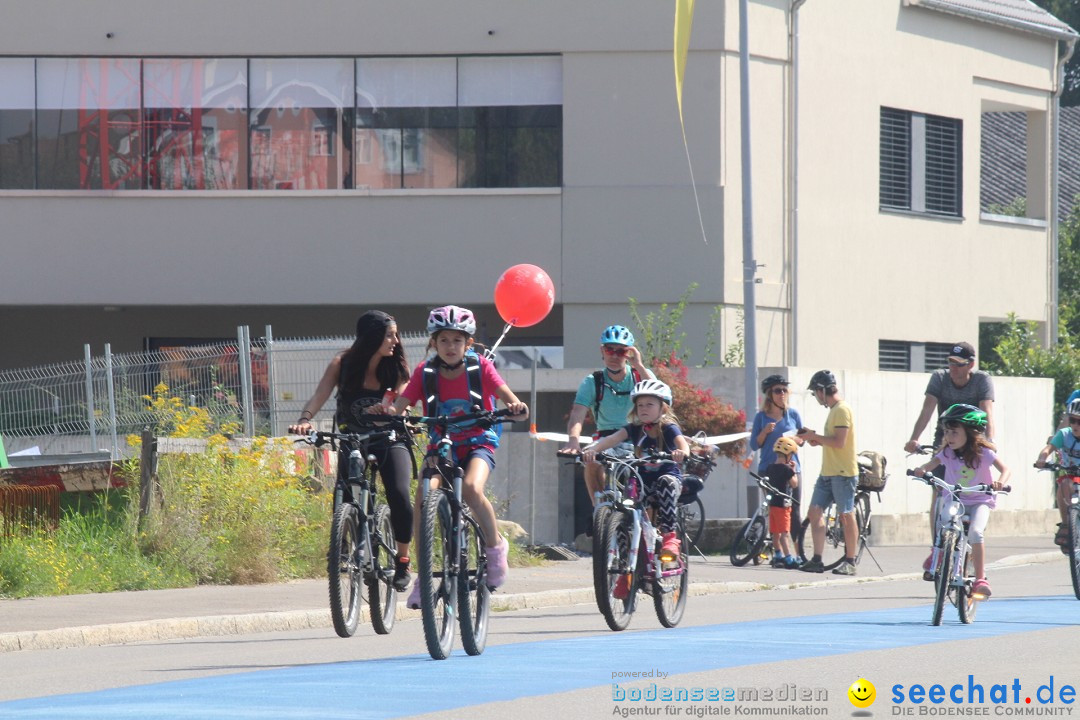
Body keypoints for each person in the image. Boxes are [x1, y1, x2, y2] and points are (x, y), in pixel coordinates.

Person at [385, 305, 528, 607]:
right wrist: (394, 414)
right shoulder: (425, 373)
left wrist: (515, 406)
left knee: (473, 489)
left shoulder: (481, 369)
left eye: (457, 341)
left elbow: (509, 397)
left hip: (478, 442)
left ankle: (495, 549)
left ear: (468, 344)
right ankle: (424, 578)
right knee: (424, 498)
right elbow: (401, 405)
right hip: (442, 444)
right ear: (433, 343)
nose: (451, 347)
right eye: (444, 340)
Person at [288, 310, 414, 591]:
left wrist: (390, 408)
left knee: (400, 493)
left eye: (396, 334)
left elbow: (402, 397)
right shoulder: (342, 363)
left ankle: (403, 560)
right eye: (389, 334)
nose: (395, 340)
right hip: (353, 438)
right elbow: (320, 394)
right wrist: (305, 420)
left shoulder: (396, 368)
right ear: (372, 338)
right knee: (344, 491)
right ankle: (342, 548)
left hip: (389, 437)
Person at [583, 379, 689, 597]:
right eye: (640, 405)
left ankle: (670, 538)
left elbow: (682, 443)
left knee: (666, 483)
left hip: (667, 479)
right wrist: (592, 450)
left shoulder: (668, 428)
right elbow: (611, 439)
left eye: (649, 405)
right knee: (624, 510)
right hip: (642, 483)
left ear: (663, 407)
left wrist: (681, 452)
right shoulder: (634, 429)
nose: (643, 409)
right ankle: (625, 570)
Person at [904, 341, 995, 552]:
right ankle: (937, 548)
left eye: (959, 364)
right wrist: (914, 439)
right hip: (946, 442)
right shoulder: (939, 378)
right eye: (951, 363)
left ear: (971, 365)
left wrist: (990, 441)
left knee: (974, 491)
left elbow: (987, 411)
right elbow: (927, 410)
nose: (953, 368)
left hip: (974, 445)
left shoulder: (982, 380)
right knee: (939, 491)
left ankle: (972, 545)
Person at [912, 404, 1010, 598]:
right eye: (946, 432)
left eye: (954, 432)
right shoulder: (947, 452)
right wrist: (922, 470)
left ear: (971, 433)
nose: (949, 437)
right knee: (945, 518)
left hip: (980, 500)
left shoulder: (984, 453)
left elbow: (1006, 470)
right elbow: (931, 465)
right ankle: (939, 553)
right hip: (955, 498)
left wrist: (1000, 482)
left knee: (975, 532)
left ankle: (980, 579)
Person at [560, 325, 655, 508]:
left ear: (629, 353)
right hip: (606, 436)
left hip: (638, 435)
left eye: (620, 351)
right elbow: (578, 413)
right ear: (602, 351)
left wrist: (639, 366)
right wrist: (573, 441)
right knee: (591, 461)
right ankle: (601, 512)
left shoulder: (639, 376)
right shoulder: (593, 381)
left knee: (649, 476)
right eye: (609, 349)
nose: (614, 355)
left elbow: (662, 400)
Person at [799, 370, 859, 576]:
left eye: (816, 393)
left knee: (846, 515)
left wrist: (815, 436)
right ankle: (816, 559)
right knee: (814, 512)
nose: (816, 397)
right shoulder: (833, 410)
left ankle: (850, 561)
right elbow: (832, 441)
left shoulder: (841, 410)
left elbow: (839, 442)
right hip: (828, 472)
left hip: (843, 473)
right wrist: (816, 439)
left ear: (823, 390)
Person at [750, 374, 805, 530]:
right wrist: (764, 432)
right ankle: (776, 548)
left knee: (793, 511)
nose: (782, 394)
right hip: (769, 469)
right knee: (774, 510)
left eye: (784, 390)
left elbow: (802, 440)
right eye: (777, 391)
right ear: (769, 395)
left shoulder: (793, 415)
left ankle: (797, 550)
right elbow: (754, 445)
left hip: (791, 469)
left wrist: (795, 439)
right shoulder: (761, 417)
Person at [1035, 397, 1080, 551]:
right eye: (1073, 420)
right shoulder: (1064, 434)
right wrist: (1042, 459)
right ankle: (1067, 524)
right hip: (1070, 474)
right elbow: (1049, 449)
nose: (1075, 425)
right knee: (1064, 485)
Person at [763, 436, 801, 569]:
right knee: (784, 533)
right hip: (783, 506)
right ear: (788, 455)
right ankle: (789, 558)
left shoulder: (770, 468)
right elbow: (794, 484)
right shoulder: (787, 469)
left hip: (772, 504)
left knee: (775, 533)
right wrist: (794, 470)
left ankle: (778, 555)